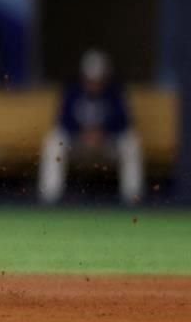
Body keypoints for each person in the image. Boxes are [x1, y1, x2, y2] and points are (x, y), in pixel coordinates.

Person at [38, 49, 144, 205]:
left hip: (107, 143)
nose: (94, 84)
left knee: (131, 142)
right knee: (54, 141)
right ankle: (50, 197)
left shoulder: (115, 91)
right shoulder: (72, 90)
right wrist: (83, 133)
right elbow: (63, 120)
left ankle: (132, 198)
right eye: (90, 79)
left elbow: (124, 121)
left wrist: (103, 133)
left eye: (98, 79)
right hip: (78, 142)